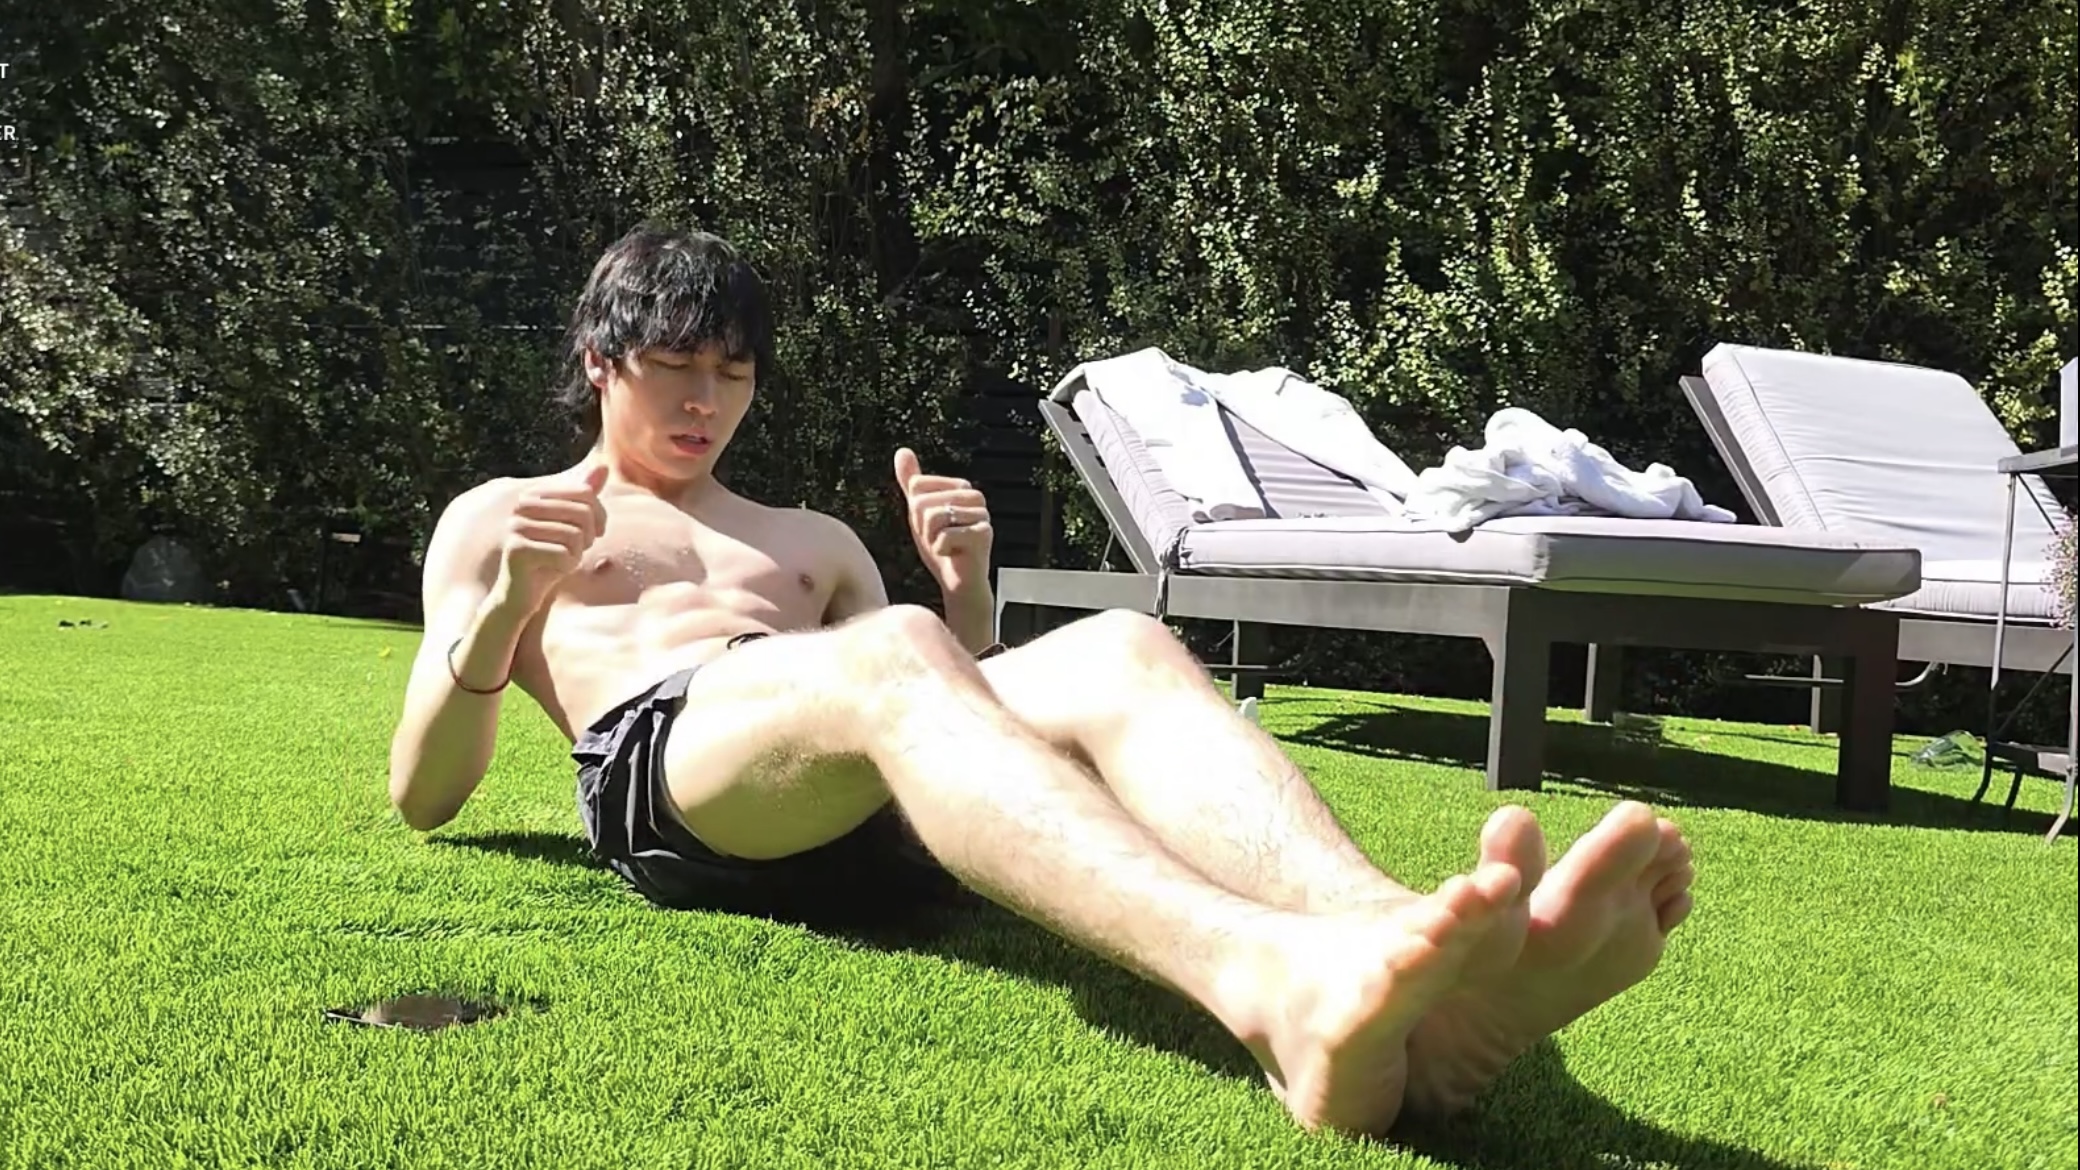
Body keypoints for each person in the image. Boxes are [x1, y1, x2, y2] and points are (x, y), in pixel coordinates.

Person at [386, 224, 1696, 1138]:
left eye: (733, 374)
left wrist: (966, 590)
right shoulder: (507, 516)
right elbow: (424, 794)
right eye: (677, 367)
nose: (706, 401)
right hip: (673, 776)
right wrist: (504, 608)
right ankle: (1268, 980)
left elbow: (955, 731)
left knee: (1120, 644)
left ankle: (1413, 953)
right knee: (895, 646)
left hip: (859, 804)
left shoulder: (810, 539)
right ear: (602, 361)